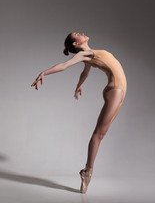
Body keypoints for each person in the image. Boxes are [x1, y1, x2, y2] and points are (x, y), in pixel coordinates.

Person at [31, 32, 127, 194]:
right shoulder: (83, 54)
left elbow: (85, 72)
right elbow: (64, 65)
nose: (81, 33)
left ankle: (87, 172)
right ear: (75, 44)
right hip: (115, 89)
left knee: (102, 133)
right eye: (77, 34)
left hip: (120, 90)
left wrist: (78, 85)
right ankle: (88, 171)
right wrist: (44, 73)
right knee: (98, 133)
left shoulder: (89, 55)